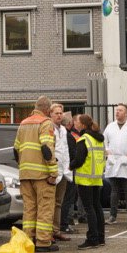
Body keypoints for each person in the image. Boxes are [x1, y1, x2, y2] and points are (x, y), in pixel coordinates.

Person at [15, 95, 60, 251]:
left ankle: (28, 240)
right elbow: (46, 148)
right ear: (47, 109)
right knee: (45, 207)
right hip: (42, 175)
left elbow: (16, 149)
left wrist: (22, 167)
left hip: (25, 174)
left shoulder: (23, 123)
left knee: (29, 209)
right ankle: (43, 241)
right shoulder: (45, 123)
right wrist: (53, 172)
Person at [102, 103, 127, 223]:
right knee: (114, 190)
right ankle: (112, 215)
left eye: (120, 110)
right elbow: (104, 141)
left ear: (126, 113)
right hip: (113, 161)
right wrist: (107, 152)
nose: (117, 112)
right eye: (116, 110)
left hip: (126, 162)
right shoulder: (110, 126)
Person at [72, 114, 108, 247]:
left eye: (77, 122)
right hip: (96, 178)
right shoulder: (98, 139)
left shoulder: (84, 139)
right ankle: (100, 237)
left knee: (89, 209)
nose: (75, 124)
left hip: (85, 179)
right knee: (97, 207)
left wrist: (70, 165)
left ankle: (92, 238)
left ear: (82, 125)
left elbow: (79, 160)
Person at [49, 103, 73, 242]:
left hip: (63, 170)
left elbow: (65, 150)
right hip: (53, 170)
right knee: (49, 203)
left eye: (60, 113)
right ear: (50, 114)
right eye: (56, 113)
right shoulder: (48, 128)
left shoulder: (63, 129)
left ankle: (56, 230)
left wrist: (67, 167)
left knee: (58, 202)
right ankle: (48, 232)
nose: (59, 115)